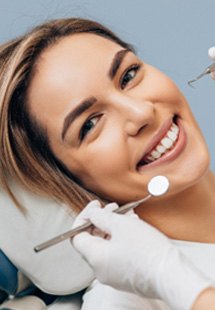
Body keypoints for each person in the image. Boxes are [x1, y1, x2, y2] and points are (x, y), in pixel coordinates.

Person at [0, 17, 214, 309]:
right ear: (63, 177)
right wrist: (168, 276)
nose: (141, 113)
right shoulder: (121, 300)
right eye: (89, 125)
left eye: (128, 76)